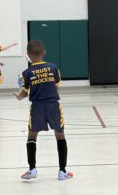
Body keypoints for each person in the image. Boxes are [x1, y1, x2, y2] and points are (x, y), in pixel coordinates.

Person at [13, 40, 73, 181]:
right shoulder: (53, 68)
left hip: (37, 107)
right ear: (44, 53)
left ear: (28, 55)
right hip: (53, 105)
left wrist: (19, 96)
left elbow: (24, 93)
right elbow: (56, 87)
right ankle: (62, 172)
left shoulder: (26, 73)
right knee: (60, 135)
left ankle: (32, 169)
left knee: (32, 136)